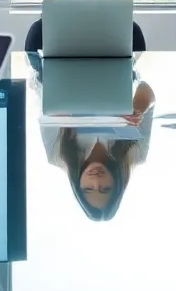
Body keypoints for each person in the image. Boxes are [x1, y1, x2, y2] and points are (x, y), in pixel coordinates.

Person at [41, 80, 155, 221]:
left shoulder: (58, 154)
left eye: (88, 188)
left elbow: (45, 96)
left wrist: (58, 109)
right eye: (105, 188)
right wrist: (137, 109)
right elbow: (146, 89)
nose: (95, 180)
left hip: (63, 75)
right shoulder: (135, 155)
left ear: (78, 187)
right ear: (116, 185)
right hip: (114, 69)